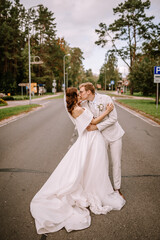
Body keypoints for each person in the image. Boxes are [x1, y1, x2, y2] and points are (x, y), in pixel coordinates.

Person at [30, 87, 125, 236]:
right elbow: (91, 124)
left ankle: (106, 187)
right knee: (95, 166)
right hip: (92, 138)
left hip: (92, 139)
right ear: (75, 96)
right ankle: (98, 189)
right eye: (78, 93)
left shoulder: (77, 106)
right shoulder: (78, 109)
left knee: (92, 166)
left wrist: (82, 103)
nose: (81, 94)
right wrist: (106, 112)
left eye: (82, 92)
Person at [79, 82, 125, 197]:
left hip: (115, 135)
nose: (80, 94)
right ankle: (105, 189)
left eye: (81, 91)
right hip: (100, 138)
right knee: (102, 164)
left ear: (88, 92)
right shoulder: (84, 104)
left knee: (116, 163)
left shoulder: (106, 98)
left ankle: (117, 189)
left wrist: (97, 126)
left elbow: (114, 118)